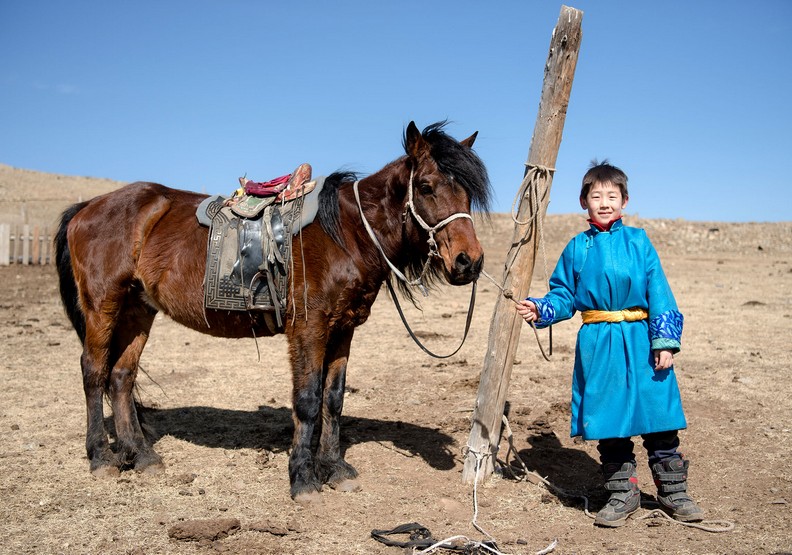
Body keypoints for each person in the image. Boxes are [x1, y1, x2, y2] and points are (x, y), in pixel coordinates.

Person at [516, 161, 703, 527]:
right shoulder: (577, 248)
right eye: (596, 196)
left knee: (659, 417)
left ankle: (673, 491)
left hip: (641, 338)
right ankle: (622, 494)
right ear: (583, 201)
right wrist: (541, 308)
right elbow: (564, 295)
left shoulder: (639, 241)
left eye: (612, 196)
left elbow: (659, 291)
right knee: (609, 420)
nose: (604, 203)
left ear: (624, 201)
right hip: (599, 342)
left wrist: (664, 342)